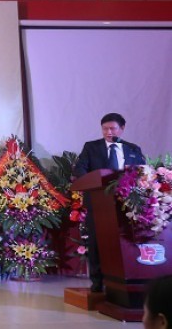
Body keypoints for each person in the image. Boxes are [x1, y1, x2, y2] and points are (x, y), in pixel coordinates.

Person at [73, 112, 145, 292]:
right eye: (105, 129)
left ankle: (125, 281)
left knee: (124, 241)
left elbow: (142, 172)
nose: (108, 132)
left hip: (126, 203)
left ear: (122, 128)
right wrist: (95, 183)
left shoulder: (132, 149)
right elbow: (80, 169)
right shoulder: (91, 147)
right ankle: (97, 282)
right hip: (98, 202)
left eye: (112, 128)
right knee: (96, 241)